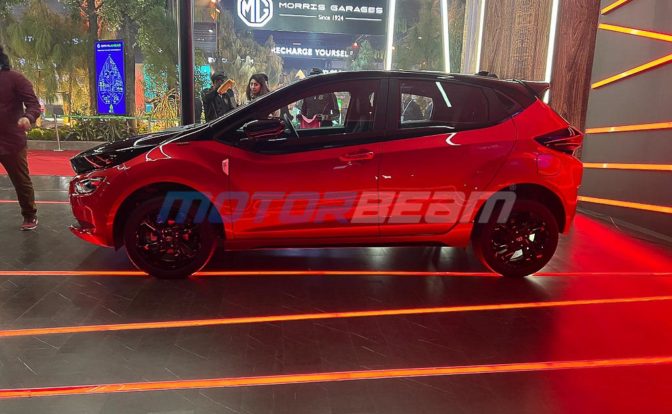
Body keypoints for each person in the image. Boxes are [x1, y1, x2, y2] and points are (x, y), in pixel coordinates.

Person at [0, 45, 41, 230]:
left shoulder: (15, 78)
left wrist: (28, 117)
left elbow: (34, 104)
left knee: (21, 181)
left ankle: (30, 215)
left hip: (12, 141)